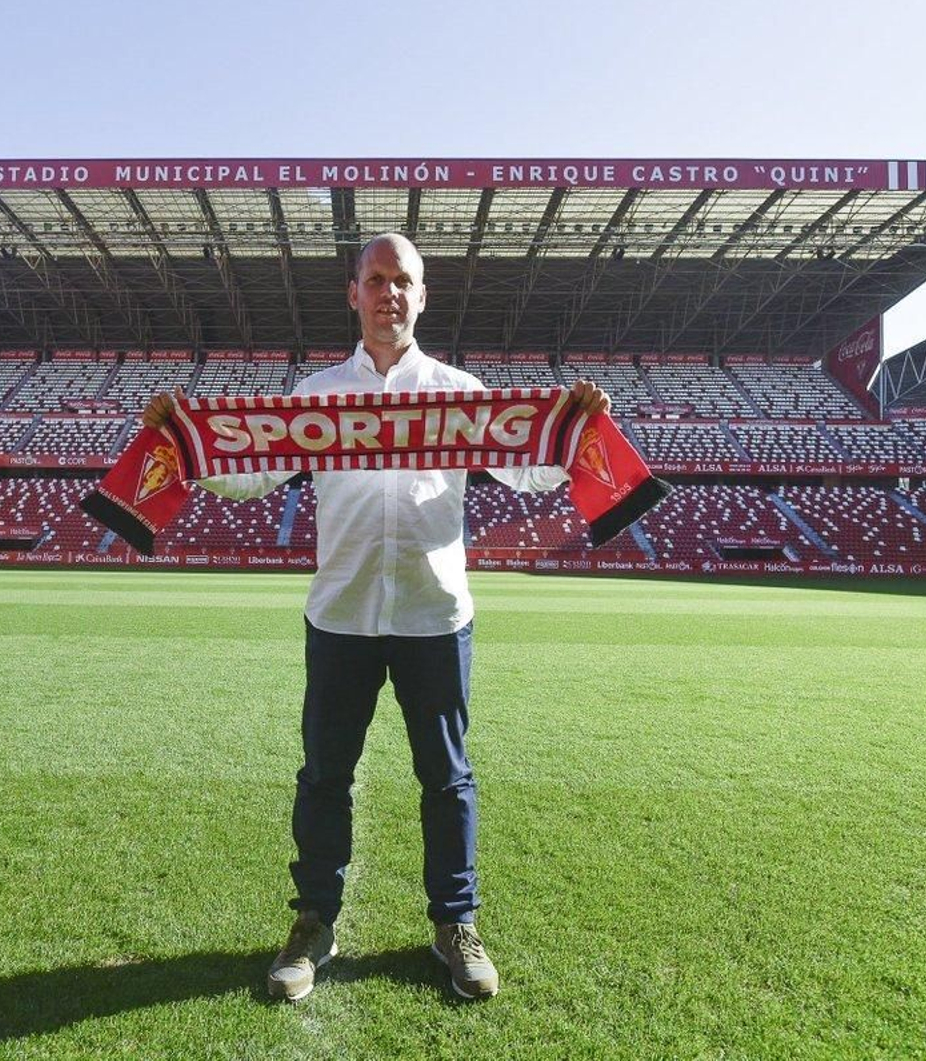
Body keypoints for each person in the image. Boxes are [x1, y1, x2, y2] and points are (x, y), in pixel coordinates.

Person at [142, 233, 609, 1001]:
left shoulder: (461, 390)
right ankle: (313, 922)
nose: (390, 293)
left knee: (447, 779)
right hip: (342, 618)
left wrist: (579, 424)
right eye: (376, 280)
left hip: (435, 616)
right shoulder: (315, 394)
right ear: (353, 293)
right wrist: (186, 445)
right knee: (325, 776)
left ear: (422, 297)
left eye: (404, 281)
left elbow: (531, 470)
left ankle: (455, 923)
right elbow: (251, 475)